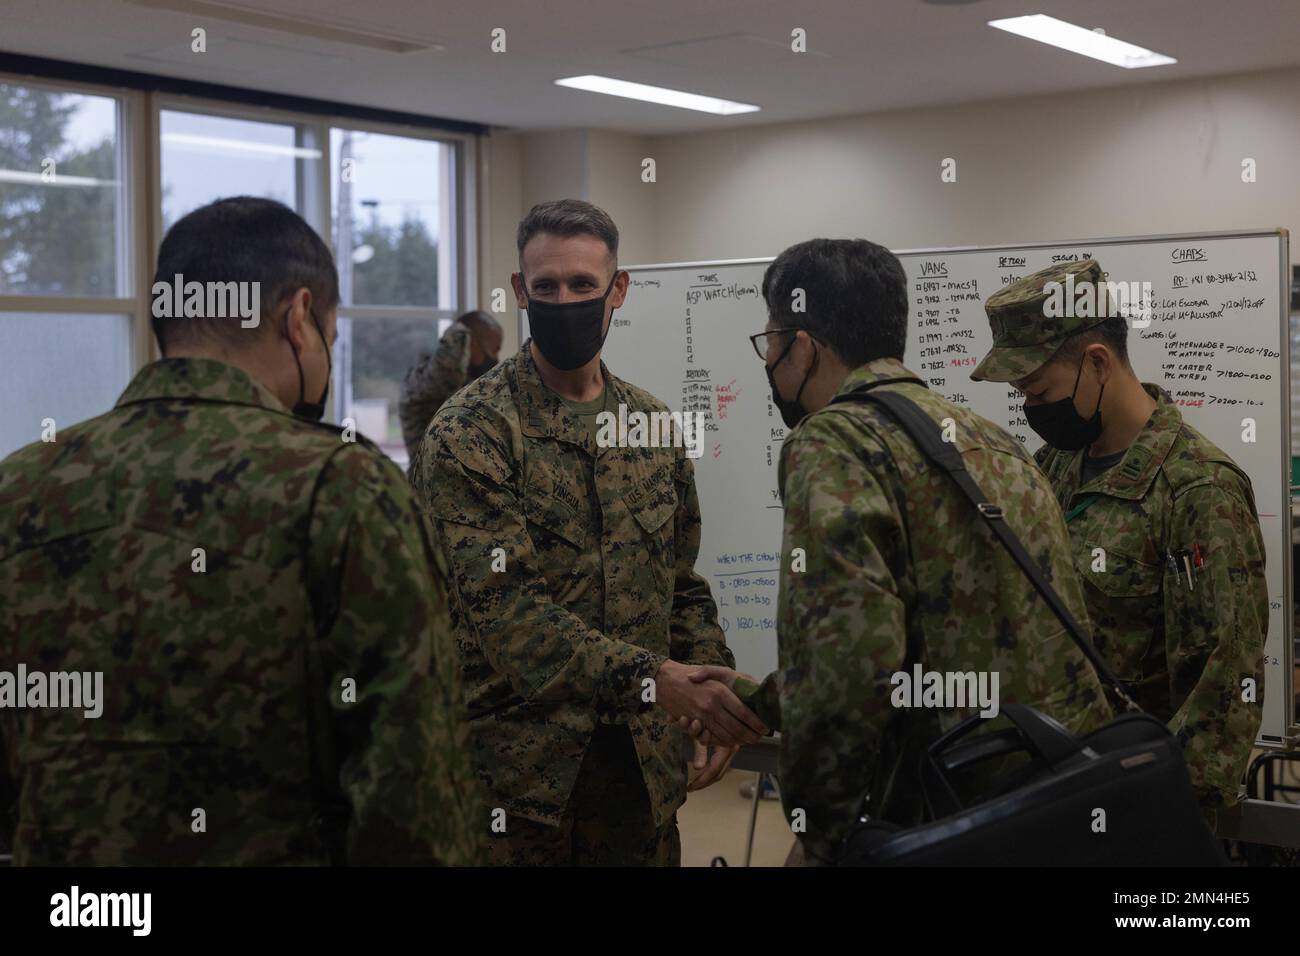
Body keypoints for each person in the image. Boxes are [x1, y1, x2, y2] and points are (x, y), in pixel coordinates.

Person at [0, 197, 482, 865]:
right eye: (333, 340)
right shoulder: (342, 488)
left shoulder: (19, 486)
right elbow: (410, 784)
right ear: (299, 318)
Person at [689, 238, 1114, 865]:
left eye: (771, 342)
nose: (770, 361)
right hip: (1047, 797)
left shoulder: (834, 441)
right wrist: (763, 701)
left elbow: (850, 667)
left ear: (802, 347)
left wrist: (827, 837)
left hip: (936, 816)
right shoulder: (991, 440)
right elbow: (953, 631)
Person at [410, 198, 765, 866]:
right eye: (545, 287)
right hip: (517, 793)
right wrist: (659, 678)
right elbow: (510, 620)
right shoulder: (472, 431)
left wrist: (710, 699)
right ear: (520, 291)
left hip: (641, 780)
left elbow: (680, 586)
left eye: (582, 285)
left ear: (617, 290)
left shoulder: (652, 423)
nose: (563, 300)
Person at [970, 258, 1266, 827]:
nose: (1031, 408)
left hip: (1137, 806)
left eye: (1037, 388)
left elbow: (1223, 688)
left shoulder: (1197, 488)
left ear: (1098, 362)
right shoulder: (1052, 467)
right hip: (1048, 787)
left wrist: (1166, 823)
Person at [399, 310, 504, 464]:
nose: (495, 358)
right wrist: (461, 331)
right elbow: (447, 372)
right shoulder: (422, 380)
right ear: (471, 343)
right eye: (495, 349)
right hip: (431, 485)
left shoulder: (477, 386)